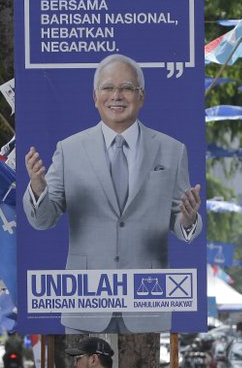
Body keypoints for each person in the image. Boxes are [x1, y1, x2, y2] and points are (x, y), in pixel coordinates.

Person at [23, 53, 203, 334]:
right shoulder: (69, 150)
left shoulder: (172, 150)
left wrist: (188, 219)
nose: (116, 96)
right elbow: (43, 220)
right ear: (95, 97)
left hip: (147, 302)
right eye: (108, 88)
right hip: (85, 303)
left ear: (141, 96)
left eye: (126, 88)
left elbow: (181, 222)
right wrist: (37, 189)